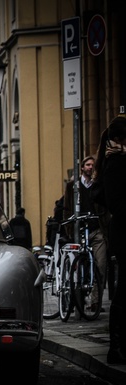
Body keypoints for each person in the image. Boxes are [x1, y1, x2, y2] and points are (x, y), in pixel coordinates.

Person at [95, 116, 126, 364]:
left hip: (122, 232)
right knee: (124, 292)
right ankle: (116, 345)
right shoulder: (115, 163)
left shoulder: (115, 161)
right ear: (119, 140)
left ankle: (118, 345)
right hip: (125, 232)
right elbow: (116, 202)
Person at [63, 155, 109, 313]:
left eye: (93, 165)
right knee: (78, 266)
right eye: (88, 165)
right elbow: (67, 208)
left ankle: (96, 302)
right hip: (79, 231)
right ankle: (79, 300)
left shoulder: (98, 185)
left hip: (97, 230)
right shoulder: (72, 186)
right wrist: (69, 228)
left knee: (101, 265)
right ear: (82, 167)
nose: (90, 167)